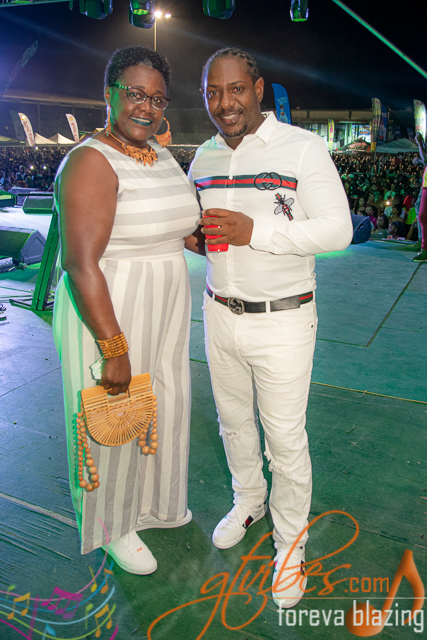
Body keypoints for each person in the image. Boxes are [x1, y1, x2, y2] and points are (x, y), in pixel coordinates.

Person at [188, 48, 353, 609]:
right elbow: (202, 229)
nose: (224, 103)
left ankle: (290, 546)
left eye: (235, 89)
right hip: (218, 312)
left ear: (258, 89)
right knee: (233, 423)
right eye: (213, 92)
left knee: (284, 440)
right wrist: (193, 235)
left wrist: (254, 231)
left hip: (283, 319)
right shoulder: (204, 156)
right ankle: (248, 501)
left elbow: (337, 230)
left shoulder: (302, 148)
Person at [52, 46, 200, 573]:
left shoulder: (159, 153)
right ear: (109, 93)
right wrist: (113, 348)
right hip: (110, 308)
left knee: (165, 403)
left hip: (165, 306)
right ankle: (113, 525)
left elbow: (176, 225)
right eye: (135, 94)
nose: (147, 107)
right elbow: (79, 263)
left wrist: (207, 236)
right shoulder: (90, 160)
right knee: (112, 412)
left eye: (158, 99)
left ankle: (156, 504)